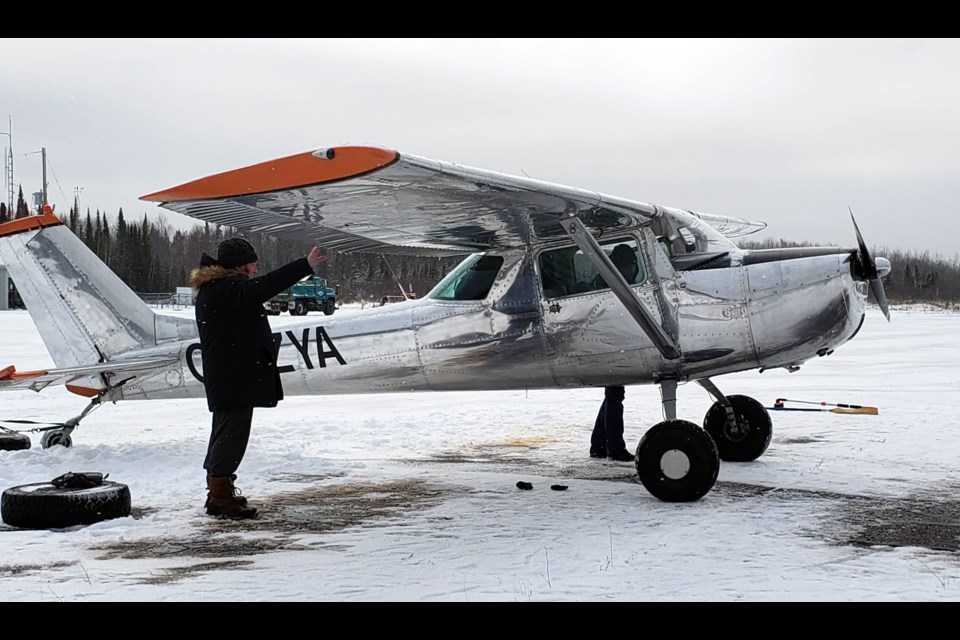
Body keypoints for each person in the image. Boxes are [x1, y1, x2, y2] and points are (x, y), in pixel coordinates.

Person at [189, 237, 326, 518]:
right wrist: (305, 265)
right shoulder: (226, 289)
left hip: (229, 376)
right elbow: (267, 285)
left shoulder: (217, 288)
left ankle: (219, 491)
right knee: (231, 437)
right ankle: (219, 497)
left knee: (224, 434)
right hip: (233, 378)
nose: (255, 269)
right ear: (239, 266)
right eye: (252, 264)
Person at [589, 244, 640, 462]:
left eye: (632, 266)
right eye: (627, 267)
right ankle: (615, 448)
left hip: (614, 341)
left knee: (613, 393)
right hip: (609, 343)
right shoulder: (611, 285)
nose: (630, 271)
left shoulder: (609, 281)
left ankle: (599, 444)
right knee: (614, 394)